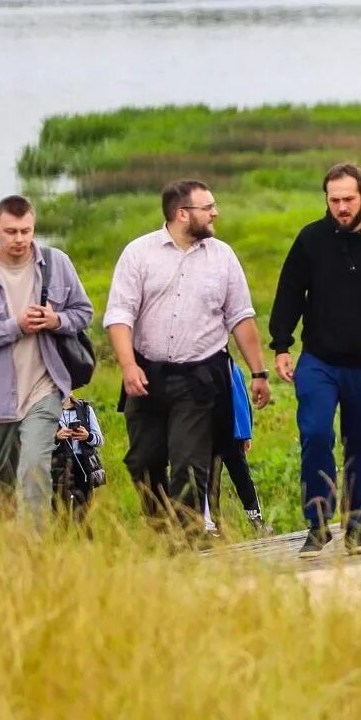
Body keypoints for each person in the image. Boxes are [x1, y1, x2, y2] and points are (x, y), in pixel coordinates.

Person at [269, 163, 361, 557]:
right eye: (334, 200)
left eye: (348, 199)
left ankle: (356, 527)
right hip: (319, 361)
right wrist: (282, 345)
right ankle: (317, 526)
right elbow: (288, 294)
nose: (341, 207)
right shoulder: (310, 240)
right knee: (316, 434)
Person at [107, 181, 269, 537]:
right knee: (142, 462)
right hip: (147, 374)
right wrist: (128, 365)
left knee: (189, 464)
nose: (215, 212)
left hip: (200, 378)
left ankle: (189, 541)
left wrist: (259, 372)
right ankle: (164, 528)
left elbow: (240, 317)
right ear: (182, 214)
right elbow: (119, 315)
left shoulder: (222, 256)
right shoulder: (139, 254)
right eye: (208, 207)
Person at [0, 196, 95, 523]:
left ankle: (35, 549)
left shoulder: (56, 262)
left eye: (26, 231)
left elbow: (84, 312)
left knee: (35, 467)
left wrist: (56, 320)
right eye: (11, 232)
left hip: (44, 388)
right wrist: (14, 327)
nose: (19, 239)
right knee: (0, 484)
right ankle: (6, 555)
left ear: (33, 228)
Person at [206, 359, 265, 534]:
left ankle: (256, 519)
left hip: (234, 435)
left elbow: (243, 403)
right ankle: (214, 525)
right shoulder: (201, 371)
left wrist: (246, 433)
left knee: (242, 478)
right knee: (211, 482)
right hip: (211, 437)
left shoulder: (233, 369)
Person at [50, 395, 106, 523]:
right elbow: (41, 445)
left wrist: (87, 436)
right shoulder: (47, 411)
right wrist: (57, 437)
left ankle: (85, 541)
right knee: (59, 510)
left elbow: (100, 440)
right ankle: (61, 540)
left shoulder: (85, 409)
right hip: (59, 465)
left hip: (83, 465)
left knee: (84, 511)